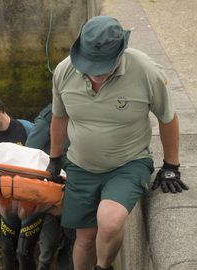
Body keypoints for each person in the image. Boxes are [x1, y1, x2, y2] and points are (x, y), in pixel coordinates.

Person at [46, 16, 189, 270]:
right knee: (85, 238)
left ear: (121, 53)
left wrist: (171, 165)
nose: (97, 75)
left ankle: (103, 266)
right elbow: (59, 117)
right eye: (90, 67)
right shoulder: (63, 72)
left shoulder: (147, 71)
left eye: (104, 68)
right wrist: (55, 158)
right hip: (81, 164)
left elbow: (168, 118)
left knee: (110, 222)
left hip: (128, 162)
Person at [0, 95, 42, 270]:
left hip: (30, 203)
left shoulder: (27, 129)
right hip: (7, 203)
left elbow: (43, 161)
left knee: (24, 252)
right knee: (7, 250)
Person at [25, 103, 75, 270]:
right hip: (52, 191)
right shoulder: (47, 118)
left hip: (75, 191)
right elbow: (30, 154)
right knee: (48, 247)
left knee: (71, 242)